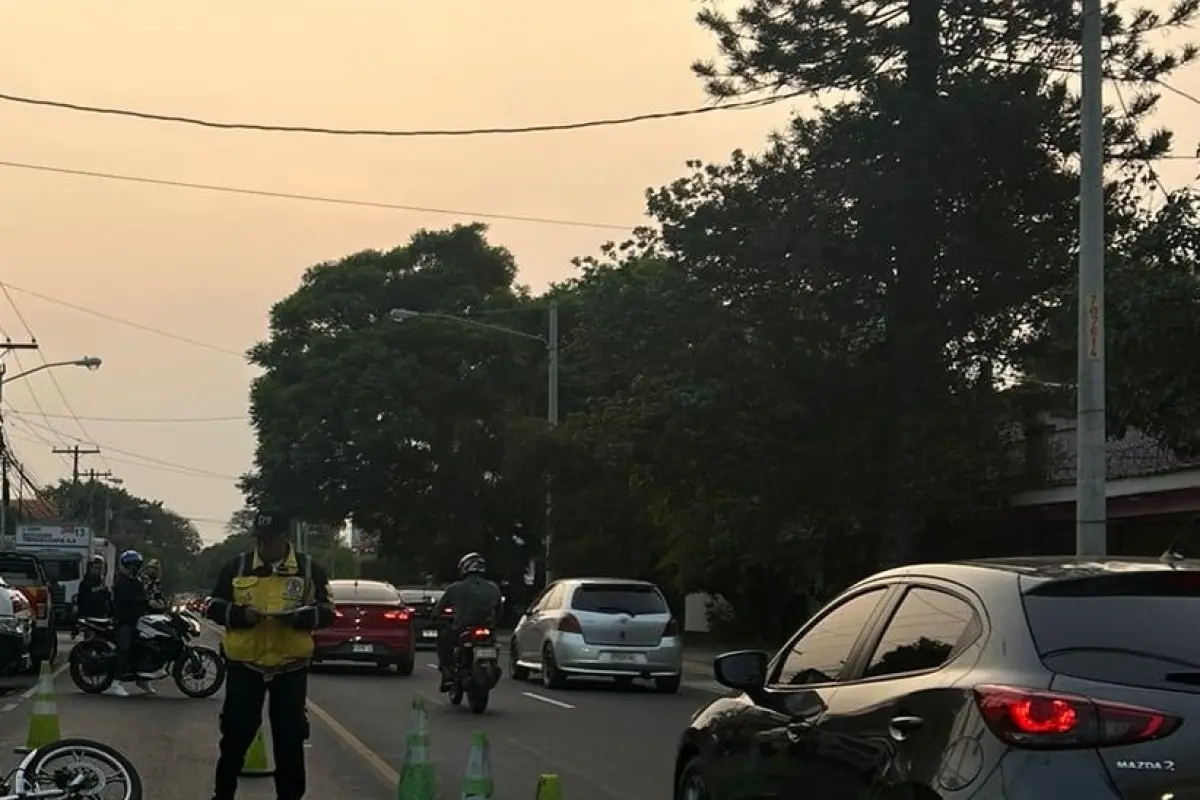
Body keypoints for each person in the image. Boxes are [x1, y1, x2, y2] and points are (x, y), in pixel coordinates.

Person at [205, 510, 334, 800]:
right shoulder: (237, 567)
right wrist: (239, 614)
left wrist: (299, 618)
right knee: (236, 735)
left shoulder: (309, 570)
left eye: (271, 541)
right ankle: (222, 795)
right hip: (245, 665)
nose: (265, 547)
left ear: (285, 539)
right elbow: (213, 606)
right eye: (260, 541)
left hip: (290, 666)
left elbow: (327, 613)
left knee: (290, 739)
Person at [432, 552, 503, 691]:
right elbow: (499, 610)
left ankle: (447, 673)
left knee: (443, 639)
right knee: (493, 643)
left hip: (463, 628)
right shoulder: (494, 588)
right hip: (487, 629)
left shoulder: (455, 588)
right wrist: (494, 624)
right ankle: (491, 666)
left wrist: (436, 617)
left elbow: (437, 611)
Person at [108, 549, 154, 697]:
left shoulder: (137, 582)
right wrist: (145, 602)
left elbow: (143, 597)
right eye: (133, 565)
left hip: (138, 620)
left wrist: (154, 604)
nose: (135, 568)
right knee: (125, 648)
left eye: (137, 565)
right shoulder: (121, 582)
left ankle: (142, 679)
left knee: (147, 646)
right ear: (127, 565)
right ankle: (115, 682)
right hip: (124, 621)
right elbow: (129, 599)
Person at [74, 555, 111, 621]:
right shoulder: (85, 583)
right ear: (90, 568)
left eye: (99, 568)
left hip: (101, 618)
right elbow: (82, 600)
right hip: (88, 618)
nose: (97, 571)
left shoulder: (102, 583)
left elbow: (107, 600)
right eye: (95, 568)